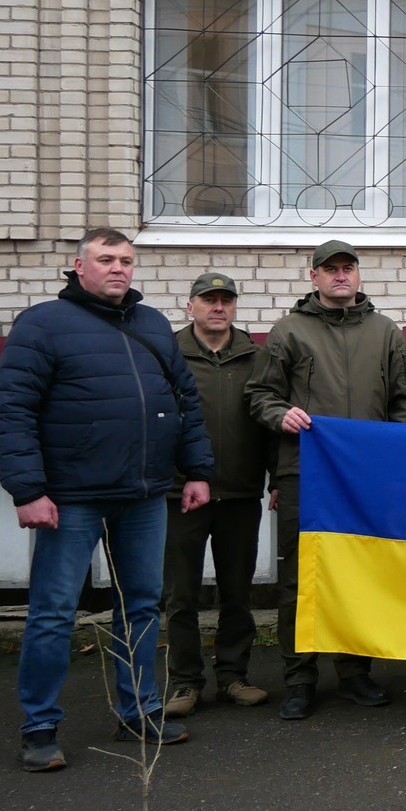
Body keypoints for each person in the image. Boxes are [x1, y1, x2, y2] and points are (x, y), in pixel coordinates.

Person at [0, 228, 214, 771]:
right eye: (106, 259)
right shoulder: (42, 324)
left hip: (143, 495)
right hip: (69, 499)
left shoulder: (152, 324)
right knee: (53, 613)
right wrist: (28, 490)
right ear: (79, 265)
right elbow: (13, 410)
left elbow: (184, 399)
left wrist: (197, 470)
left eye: (126, 260)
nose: (118, 268)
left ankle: (138, 712)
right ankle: (40, 728)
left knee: (140, 607)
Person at [247, 239, 406, 721]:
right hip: (306, 473)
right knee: (301, 579)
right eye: (330, 269)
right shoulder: (289, 332)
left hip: (368, 478)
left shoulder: (387, 333)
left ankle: (353, 673)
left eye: (348, 268)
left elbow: (405, 401)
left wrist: (390, 458)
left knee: (362, 574)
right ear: (314, 277)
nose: (340, 276)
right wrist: (281, 413)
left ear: (358, 275)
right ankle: (300, 678)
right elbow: (259, 394)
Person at [162, 272, 269, 718]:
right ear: (191, 307)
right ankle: (185, 683)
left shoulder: (255, 357)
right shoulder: (168, 354)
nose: (217, 307)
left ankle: (233, 676)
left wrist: (276, 479)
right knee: (180, 595)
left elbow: (267, 417)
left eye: (226, 300)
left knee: (236, 593)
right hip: (180, 493)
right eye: (208, 300)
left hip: (241, 491)